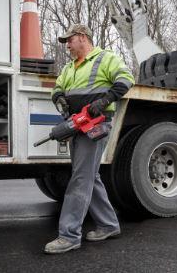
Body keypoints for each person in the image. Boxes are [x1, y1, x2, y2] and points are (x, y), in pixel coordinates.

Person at [44, 24, 135, 254]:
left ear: (82, 37)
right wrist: (59, 98)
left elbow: (126, 79)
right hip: (76, 124)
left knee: (80, 178)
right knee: (89, 176)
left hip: (96, 125)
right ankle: (108, 224)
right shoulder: (69, 67)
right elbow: (57, 87)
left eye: (70, 40)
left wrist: (103, 102)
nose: (67, 45)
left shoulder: (105, 58)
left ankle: (69, 235)